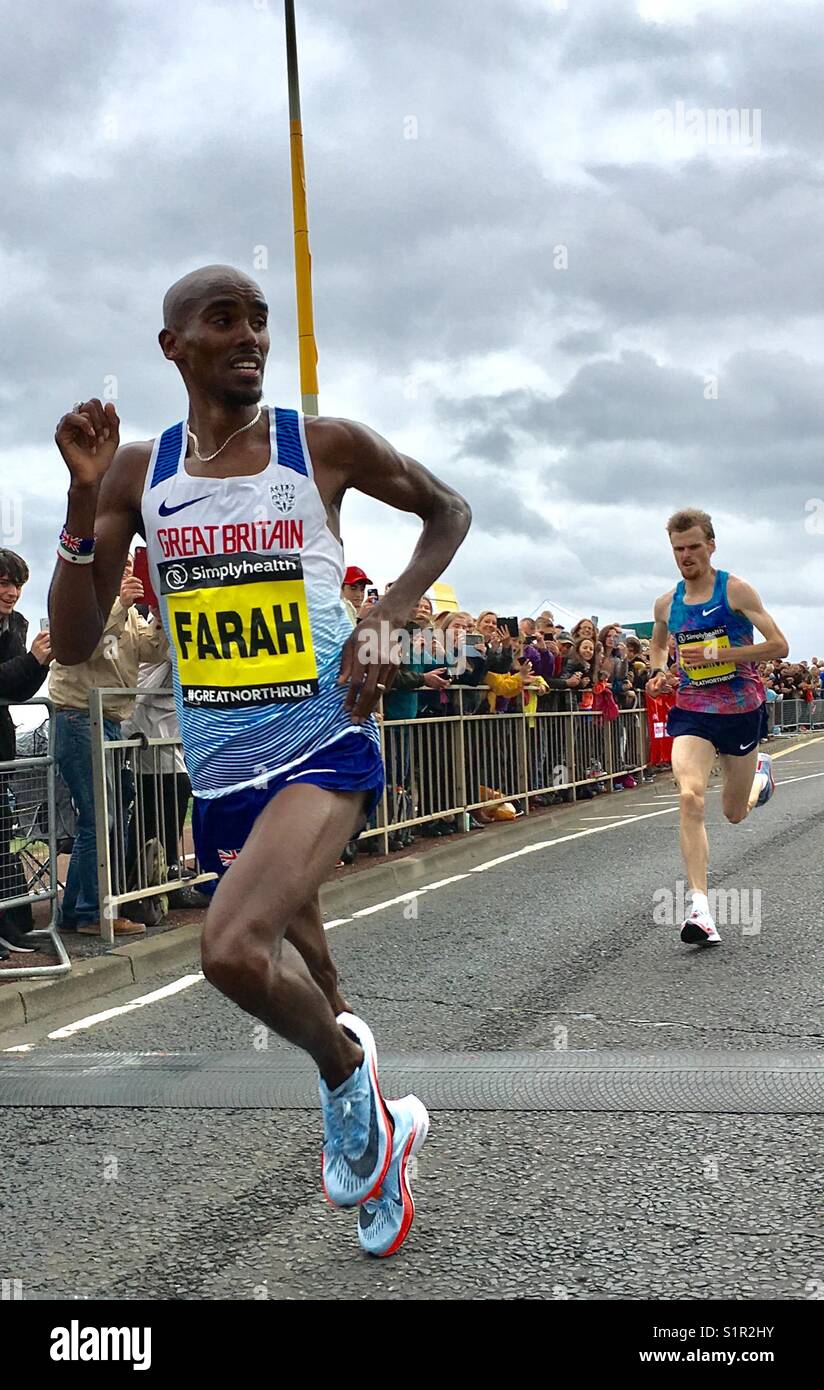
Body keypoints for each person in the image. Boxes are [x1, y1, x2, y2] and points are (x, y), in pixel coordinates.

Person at [48, 263, 471, 1259]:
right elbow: (70, 644)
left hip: (326, 737)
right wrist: (77, 500)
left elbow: (445, 510)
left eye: (258, 321)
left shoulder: (318, 445)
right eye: (221, 320)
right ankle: (380, 1136)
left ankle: (344, 1086)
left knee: (232, 949)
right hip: (223, 768)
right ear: (173, 346)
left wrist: (391, 610)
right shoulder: (137, 473)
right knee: (313, 972)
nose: (247, 337)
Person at [646, 508, 786, 946]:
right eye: (677, 549)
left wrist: (720, 656)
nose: (685, 556)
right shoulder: (667, 602)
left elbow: (779, 646)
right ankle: (701, 909)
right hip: (693, 712)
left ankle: (757, 781)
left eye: (692, 547)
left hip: (741, 710)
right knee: (689, 796)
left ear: (710, 545)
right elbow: (657, 640)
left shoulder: (736, 591)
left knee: (734, 813)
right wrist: (658, 672)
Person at [49, 556, 168, 937]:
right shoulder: (79, 601)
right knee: (100, 817)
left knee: (107, 815)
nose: (128, 569)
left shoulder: (127, 611)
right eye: (122, 562)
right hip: (80, 716)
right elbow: (83, 646)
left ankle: (76, 910)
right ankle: (91, 912)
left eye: (132, 563)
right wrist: (122, 604)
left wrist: (164, 616)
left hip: (109, 720)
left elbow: (152, 651)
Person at [0, 549, 52, 956]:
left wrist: (41, 663)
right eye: (3, 582)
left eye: (16, 583)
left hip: (2, 746)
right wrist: (31, 659)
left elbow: (16, 690)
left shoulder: (14, 624)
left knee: (4, 833)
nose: (11, 591)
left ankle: (12, 922)